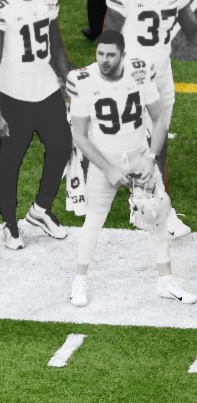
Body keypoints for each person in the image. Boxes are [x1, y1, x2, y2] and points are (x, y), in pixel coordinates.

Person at [66, 31, 196, 306]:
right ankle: (79, 280)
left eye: (111, 54)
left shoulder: (138, 73)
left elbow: (159, 119)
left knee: (158, 215)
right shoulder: (82, 80)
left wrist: (151, 157)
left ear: (123, 55)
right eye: (100, 53)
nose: (104, 59)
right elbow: (79, 136)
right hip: (104, 161)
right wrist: (107, 168)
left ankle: (166, 282)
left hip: (138, 156)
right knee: (95, 220)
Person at [0, 0, 76, 251]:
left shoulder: (48, 1)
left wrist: (69, 80)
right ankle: (9, 222)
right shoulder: (0, 7)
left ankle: (41, 209)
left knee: (61, 146)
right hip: (14, 91)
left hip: (46, 86)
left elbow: (55, 45)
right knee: (12, 158)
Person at [104, 0, 197, 237]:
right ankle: (149, 204)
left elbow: (192, 30)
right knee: (143, 141)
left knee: (159, 139)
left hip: (162, 74)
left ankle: (152, 196)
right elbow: (110, 32)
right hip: (133, 75)